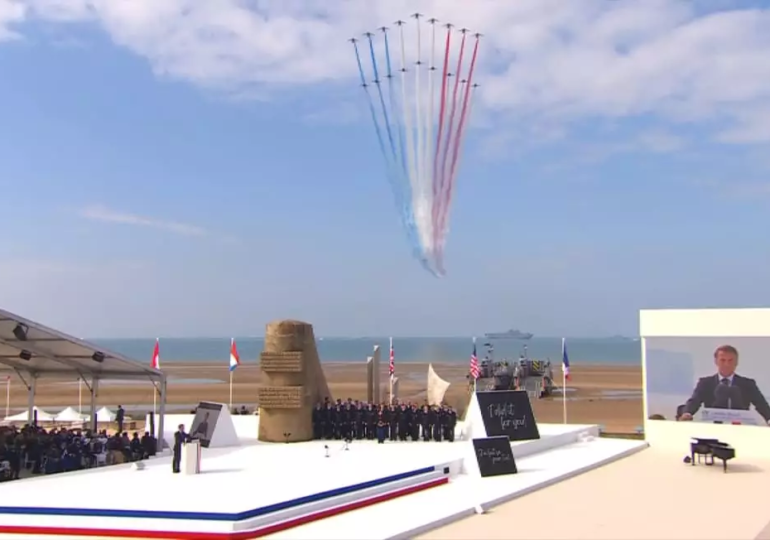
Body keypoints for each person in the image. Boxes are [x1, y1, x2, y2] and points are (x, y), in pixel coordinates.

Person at [680, 345, 770, 425]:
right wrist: (687, 413)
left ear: (736, 362)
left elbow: (761, 404)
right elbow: (695, 401)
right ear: (716, 361)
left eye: (730, 360)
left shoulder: (748, 384)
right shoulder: (705, 383)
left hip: (740, 428)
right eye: (723, 360)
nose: (727, 364)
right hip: (713, 427)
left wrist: (769, 418)